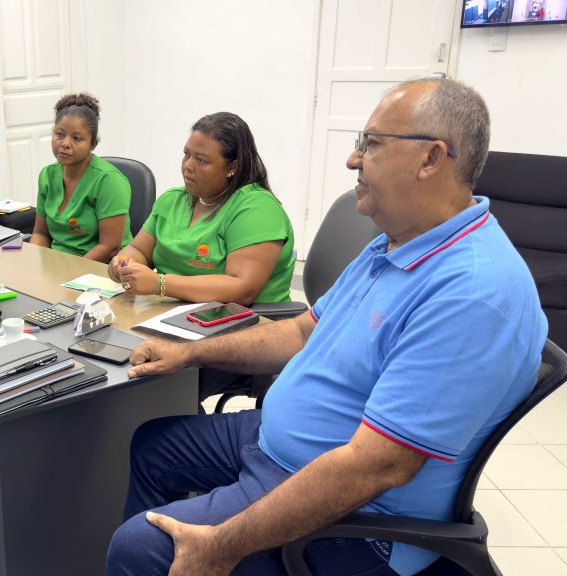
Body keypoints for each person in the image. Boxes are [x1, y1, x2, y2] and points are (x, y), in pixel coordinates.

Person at [106, 78, 548, 575]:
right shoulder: (395, 243)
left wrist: (221, 545)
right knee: (153, 445)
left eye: (371, 144)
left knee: (140, 546)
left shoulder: (473, 293)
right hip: (282, 443)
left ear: (430, 159)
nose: (352, 158)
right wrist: (188, 352)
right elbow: (300, 333)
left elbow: (377, 467)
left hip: (358, 515)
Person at [107, 112, 294, 305]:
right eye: (186, 154)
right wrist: (123, 264)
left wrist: (160, 284)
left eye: (201, 160)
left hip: (241, 316)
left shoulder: (257, 209)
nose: (188, 166)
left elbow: (242, 289)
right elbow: (138, 249)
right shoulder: (172, 200)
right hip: (172, 310)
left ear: (232, 167)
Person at [30, 93, 132, 262]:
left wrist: (73, 273)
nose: (65, 144)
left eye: (76, 138)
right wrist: (32, 262)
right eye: (59, 134)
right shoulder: (47, 175)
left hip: (99, 267)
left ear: (93, 145)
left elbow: (109, 247)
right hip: (57, 264)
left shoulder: (108, 181)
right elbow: (41, 233)